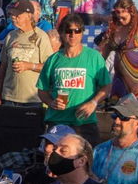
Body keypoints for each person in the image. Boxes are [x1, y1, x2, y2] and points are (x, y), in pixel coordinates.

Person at [38, 12, 111, 144]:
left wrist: (93, 103)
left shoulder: (94, 57)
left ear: (82, 33)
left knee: (88, 156)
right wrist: (51, 102)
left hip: (84, 121)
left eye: (77, 31)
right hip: (57, 120)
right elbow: (42, 90)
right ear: (61, 33)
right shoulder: (53, 59)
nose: (73, 35)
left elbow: (106, 85)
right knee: (54, 156)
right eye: (68, 31)